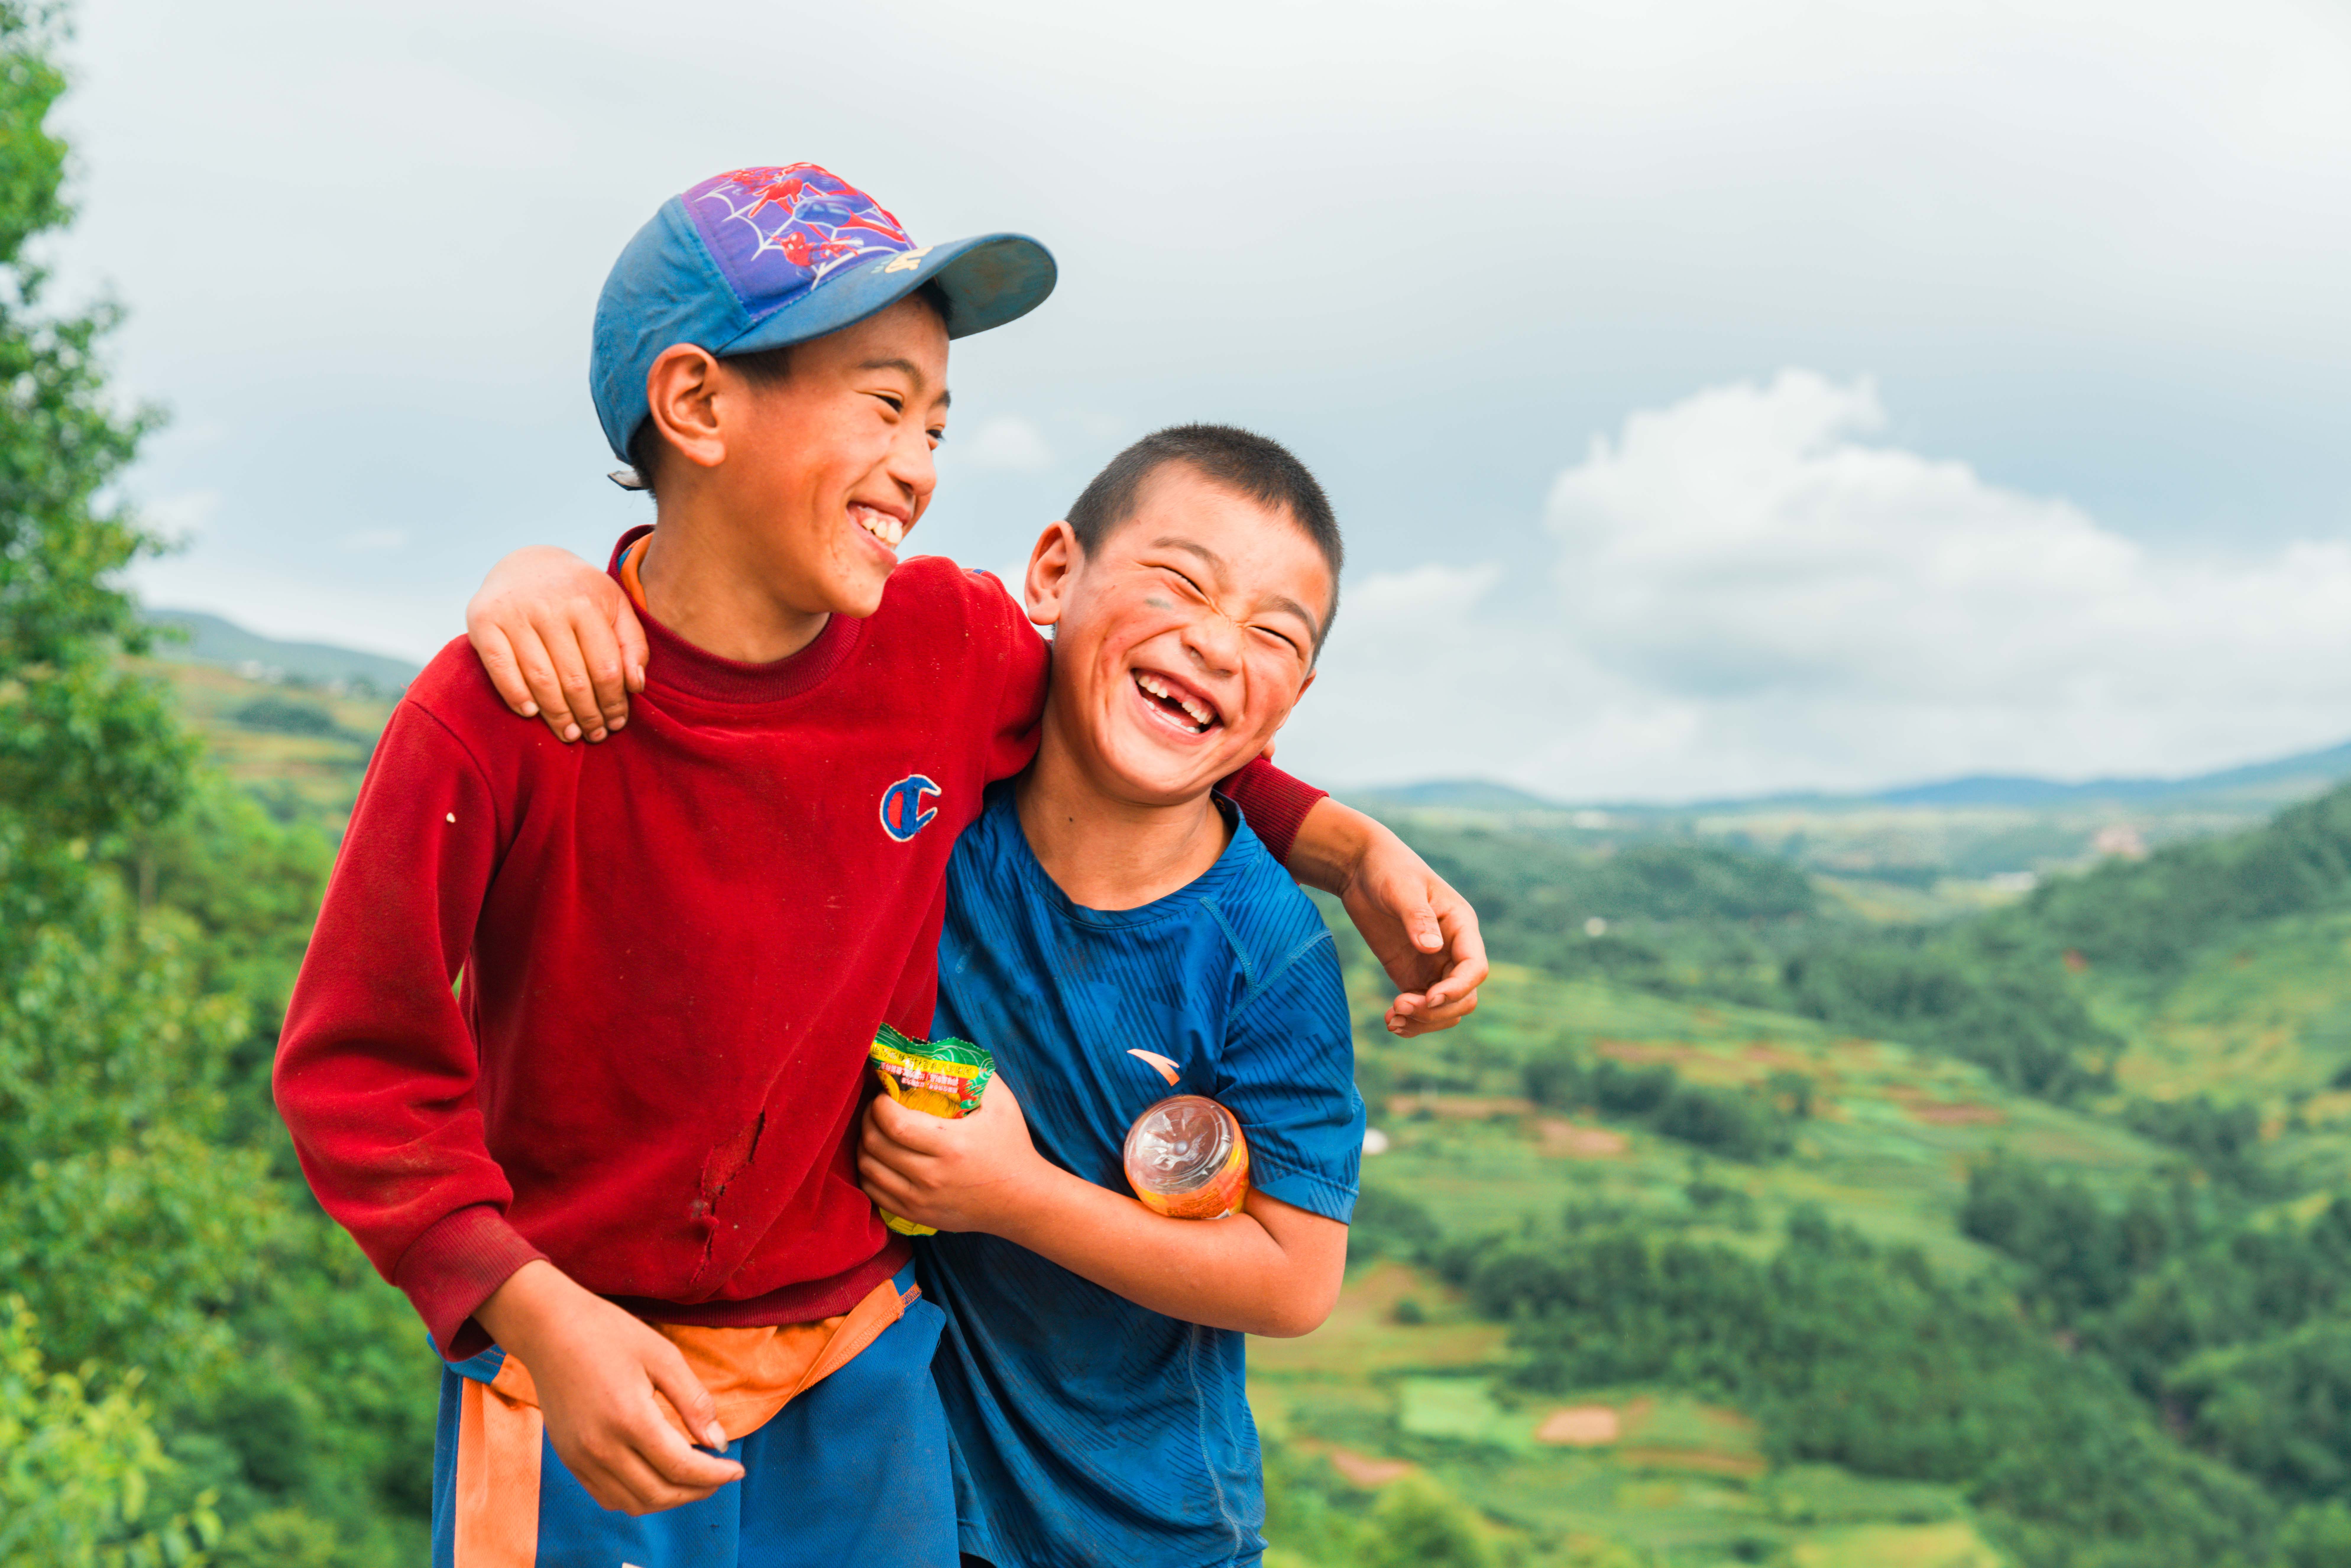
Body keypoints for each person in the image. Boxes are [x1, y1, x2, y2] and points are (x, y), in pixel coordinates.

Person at [276, 163, 1481, 1568]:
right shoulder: (500, 711)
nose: (919, 462)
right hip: (578, 1373)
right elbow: (359, 1071)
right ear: (698, 404)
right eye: (884, 401)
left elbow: (1136, 721)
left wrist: (1341, 846)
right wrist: (527, 1308)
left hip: (859, 1371)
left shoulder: (941, 651)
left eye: (939, 421)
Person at [861, 424, 1368, 1568]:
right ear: (1052, 573)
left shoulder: (1265, 951)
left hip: (1148, 1535)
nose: (1213, 642)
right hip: (905, 1511)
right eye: (1181, 582)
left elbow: (1294, 1277)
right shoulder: (930, 819)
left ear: (1288, 700)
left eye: (1270, 634)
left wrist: (1011, 1196)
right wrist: (550, 583)